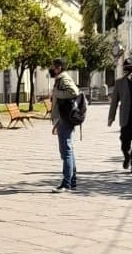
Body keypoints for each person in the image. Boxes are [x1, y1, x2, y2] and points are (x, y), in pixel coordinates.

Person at [50, 58, 79, 192]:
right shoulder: (61, 78)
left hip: (65, 118)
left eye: (54, 67)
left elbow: (74, 92)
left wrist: (57, 93)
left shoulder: (63, 78)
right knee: (68, 150)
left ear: (59, 68)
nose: (52, 69)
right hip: (63, 118)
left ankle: (66, 183)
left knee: (66, 150)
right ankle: (71, 181)